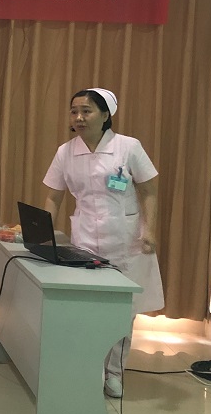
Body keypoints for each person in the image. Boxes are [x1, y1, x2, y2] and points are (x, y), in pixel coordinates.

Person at [42, 88, 165, 398]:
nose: (79, 117)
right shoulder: (66, 152)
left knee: (123, 311)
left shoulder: (128, 147)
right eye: (74, 111)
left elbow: (149, 190)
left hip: (126, 239)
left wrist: (150, 230)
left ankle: (114, 373)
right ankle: (90, 369)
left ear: (105, 114)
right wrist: (44, 232)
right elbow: (53, 196)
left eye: (86, 111)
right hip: (85, 238)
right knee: (86, 308)